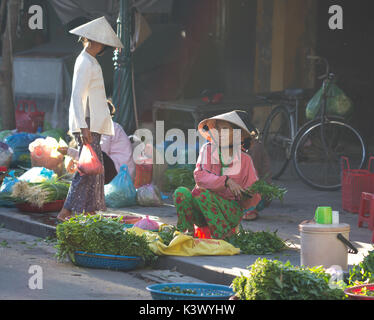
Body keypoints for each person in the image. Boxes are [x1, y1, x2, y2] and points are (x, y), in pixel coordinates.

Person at [57, 17, 124, 222]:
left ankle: (88, 212)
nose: (103, 45)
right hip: (86, 123)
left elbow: (88, 95)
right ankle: (68, 211)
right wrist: (83, 126)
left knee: (93, 170)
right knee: (87, 169)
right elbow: (78, 96)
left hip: (90, 122)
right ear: (94, 41)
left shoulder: (89, 60)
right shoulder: (85, 61)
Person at [173, 110, 264, 240]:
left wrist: (248, 194)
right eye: (217, 129)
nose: (220, 133)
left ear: (239, 135)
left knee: (201, 193)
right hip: (203, 208)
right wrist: (226, 181)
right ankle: (186, 235)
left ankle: (224, 236)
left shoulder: (245, 160)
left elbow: (254, 195)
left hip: (229, 211)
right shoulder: (208, 149)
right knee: (181, 193)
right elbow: (200, 176)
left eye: (225, 130)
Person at [59, 100, 136, 184]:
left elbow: (97, 156)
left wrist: (70, 152)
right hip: (118, 173)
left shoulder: (108, 127)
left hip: (120, 177)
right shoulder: (105, 126)